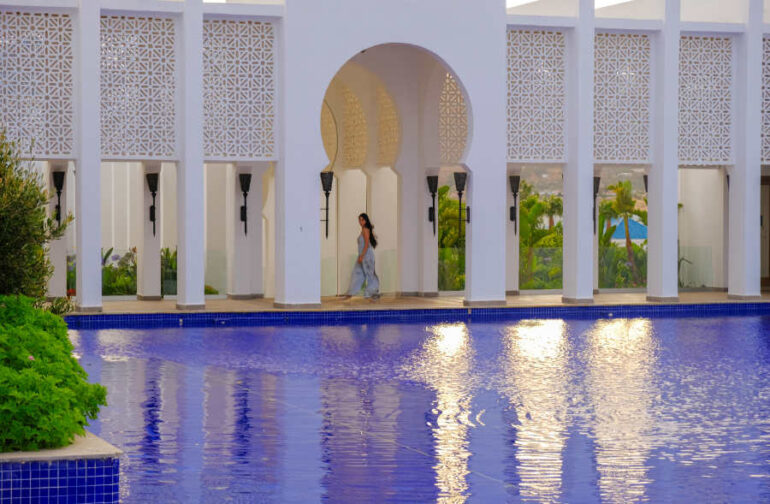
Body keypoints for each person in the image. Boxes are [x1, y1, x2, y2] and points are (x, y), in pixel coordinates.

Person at [342, 213, 380, 301]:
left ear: (366, 220)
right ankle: (350, 293)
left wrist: (362, 256)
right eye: (359, 220)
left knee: (370, 275)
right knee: (356, 274)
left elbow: (366, 244)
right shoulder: (363, 229)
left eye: (362, 219)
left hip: (366, 256)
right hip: (362, 256)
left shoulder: (365, 229)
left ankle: (371, 293)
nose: (360, 221)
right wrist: (361, 256)